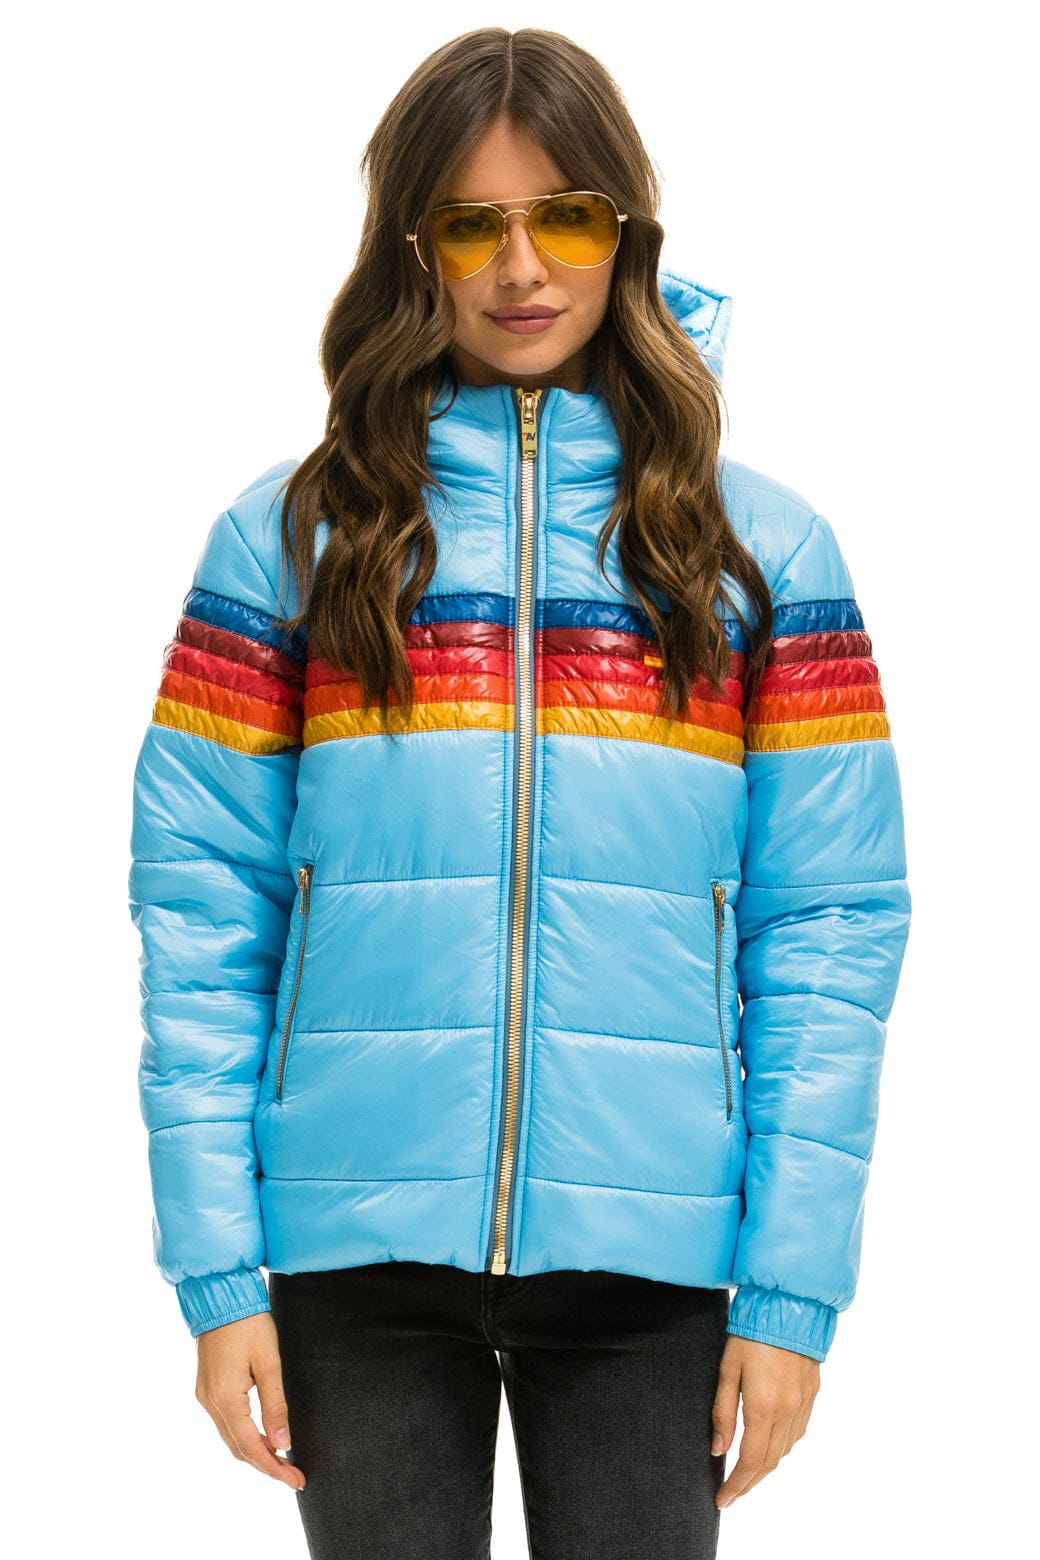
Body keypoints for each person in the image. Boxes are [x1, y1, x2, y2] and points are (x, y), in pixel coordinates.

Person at [128, 26, 911, 1560]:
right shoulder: (292, 545)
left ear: (627, 231)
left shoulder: (759, 556)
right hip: (351, 1252)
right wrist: (218, 1280)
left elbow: (828, 929)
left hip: (654, 1262)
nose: (522, 267)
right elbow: (201, 917)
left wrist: (790, 1296)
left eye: (564, 216)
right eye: (471, 224)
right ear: (411, 247)